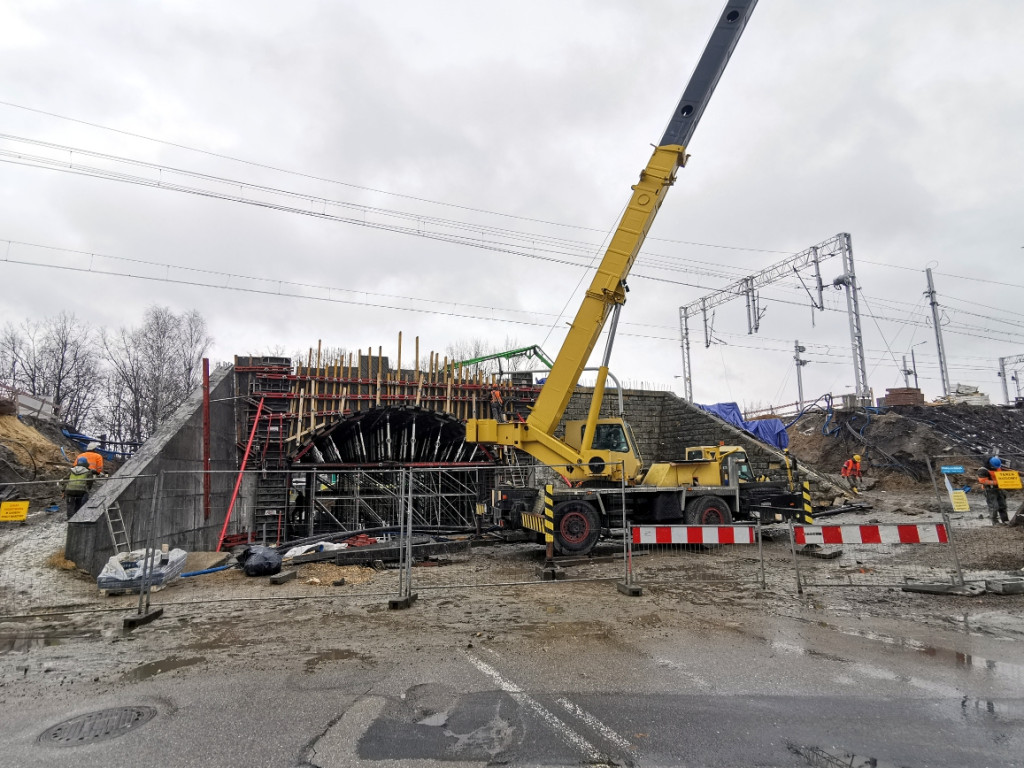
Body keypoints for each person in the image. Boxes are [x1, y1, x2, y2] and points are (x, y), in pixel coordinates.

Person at [977, 456, 1009, 525]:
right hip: (989, 490)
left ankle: (1005, 520)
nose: (996, 468)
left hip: (999, 489)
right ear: (990, 464)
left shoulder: (998, 467)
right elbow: (983, 481)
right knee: (994, 506)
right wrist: (996, 482)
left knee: (1003, 505)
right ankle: (995, 522)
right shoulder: (983, 470)